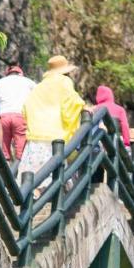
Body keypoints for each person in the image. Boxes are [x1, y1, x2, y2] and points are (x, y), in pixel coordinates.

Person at [19, 55, 89, 188]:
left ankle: (35, 194)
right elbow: (71, 102)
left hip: (36, 134)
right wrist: (83, 106)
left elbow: (26, 107)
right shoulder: (64, 82)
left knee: (35, 176)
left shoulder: (39, 86)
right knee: (58, 172)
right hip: (56, 134)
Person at [0, 63, 37, 162]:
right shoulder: (29, 82)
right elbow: (37, 99)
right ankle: (20, 174)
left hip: (3, 116)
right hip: (21, 116)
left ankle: (5, 174)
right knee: (21, 151)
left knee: (4, 151)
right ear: (20, 73)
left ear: (8, 74)